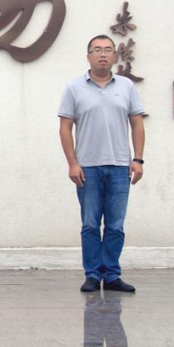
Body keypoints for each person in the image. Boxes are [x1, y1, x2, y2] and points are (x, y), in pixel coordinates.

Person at [58, 35, 145, 293]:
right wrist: (72, 163)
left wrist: (138, 159)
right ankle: (93, 275)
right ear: (88, 56)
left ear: (115, 56)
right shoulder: (74, 88)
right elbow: (65, 128)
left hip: (119, 166)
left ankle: (112, 274)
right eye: (97, 50)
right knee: (90, 224)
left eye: (108, 50)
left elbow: (137, 124)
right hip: (87, 167)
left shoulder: (126, 86)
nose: (103, 54)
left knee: (116, 225)